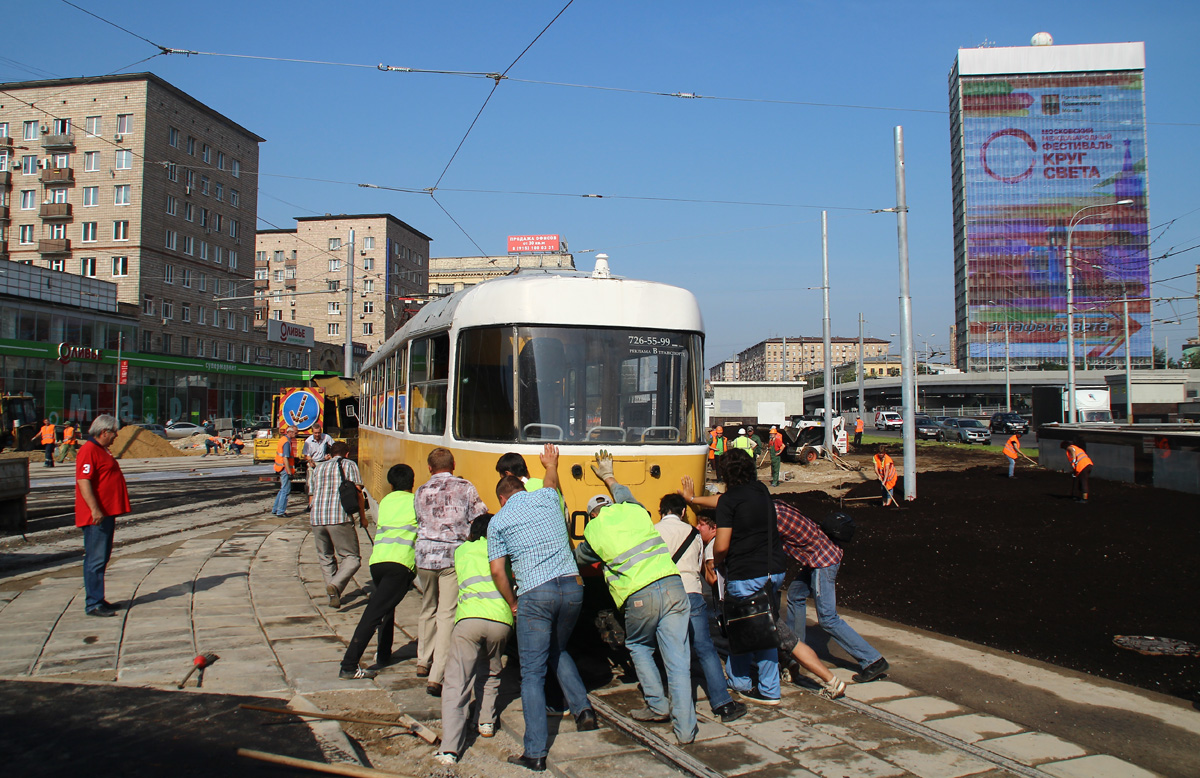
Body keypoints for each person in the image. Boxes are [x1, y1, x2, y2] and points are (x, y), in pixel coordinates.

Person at [679, 451, 846, 704]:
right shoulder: (760, 491)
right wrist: (693, 498)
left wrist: (716, 564)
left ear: (725, 474)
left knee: (752, 630)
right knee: (753, 625)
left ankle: (767, 689)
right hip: (774, 570)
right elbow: (724, 500)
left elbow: (722, 544)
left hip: (746, 574)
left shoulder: (729, 502)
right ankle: (741, 680)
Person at [574, 451, 698, 745]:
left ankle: (657, 706)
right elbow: (622, 492)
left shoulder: (593, 529)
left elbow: (579, 559)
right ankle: (685, 730)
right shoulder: (634, 509)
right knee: (678, 658)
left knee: (639, 645)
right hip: (673, 586)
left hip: (640, 595)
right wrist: (608, 475)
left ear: (593, 514)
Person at [489, 444, 597, 772]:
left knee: (531, 675)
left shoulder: (499, 520)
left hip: (537, 594)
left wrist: (512, 602)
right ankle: (583, 711)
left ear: (503, 497)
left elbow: (497, 571)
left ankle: (535, 751)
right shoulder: (548, 498)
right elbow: (551, 481)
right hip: (573, 588)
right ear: (522, 485)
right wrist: (552, 463)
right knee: (557, 649)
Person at [653, 491, 746, 723]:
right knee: (704, 648)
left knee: (670, 649)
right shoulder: (694, 534)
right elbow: (697, 566)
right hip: (692, 591)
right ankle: (723, 704)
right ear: (683, 512)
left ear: (661, 511)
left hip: (665, 592)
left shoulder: (652, 531)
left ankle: (669, 703)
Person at [776, 500, 889, 684]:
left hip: (824, 560)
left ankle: (873, 660)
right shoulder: (775, 506)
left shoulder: (773, 516)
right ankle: (797, 650)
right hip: (816, 556)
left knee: (828, 618)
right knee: (795, 594)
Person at [435, 513, 515, 765]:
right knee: (491, 671)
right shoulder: (505, 551)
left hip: (469, 620)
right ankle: (486, 722)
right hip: (501, 621)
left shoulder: (462, 551)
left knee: (458, 682)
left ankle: (449, 748)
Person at [414, 447, 487, 697]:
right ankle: (437, 675)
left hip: (424, 556)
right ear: (453, 464)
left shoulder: (420, 490)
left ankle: (423, 660)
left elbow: (420, 519)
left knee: (427, 608)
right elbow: (480, 517)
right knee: (446, 614)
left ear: (429, 468)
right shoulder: (466, 487)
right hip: (451, 557)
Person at [340, 464, 419, 680]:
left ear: (390, 484)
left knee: (386, 609)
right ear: (412, 483)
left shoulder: (385, 502)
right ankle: (349, 664)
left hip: (378, 562)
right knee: (374, 614)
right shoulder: (415, 502)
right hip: (400, 564)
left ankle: (384, 654)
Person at [75, 415, 131, 617]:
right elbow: (84, 481)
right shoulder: (89, 450)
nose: (116, 436)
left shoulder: (101, 450)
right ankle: (93, 603)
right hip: (96, 516)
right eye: (114, 432)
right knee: (95, 559)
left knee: (102, 557)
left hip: (106, 512)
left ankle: (98, 598)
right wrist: (94, 509)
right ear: (104, 432)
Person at [308, 441, 365, 609]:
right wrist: (362, 517)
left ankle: (333, 592)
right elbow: (358, 491)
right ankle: (336, 584)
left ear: (331, 454)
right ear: (347, 453)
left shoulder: (318, 468)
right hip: (338, 516)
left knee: (325, 556)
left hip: (316, 518)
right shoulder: (349, 465)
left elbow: (311, 493)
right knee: (352, 557)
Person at [271, 426, 296, 517]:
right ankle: (280, 511)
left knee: (282, 490)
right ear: (290, 432)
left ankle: (275, 509)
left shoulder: (283, 439)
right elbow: (285, 458)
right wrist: (289, 472)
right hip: (285, 469)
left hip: (281, 468)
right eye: (295, 433)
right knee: (286, 490)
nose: (296, 434)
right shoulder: (286, 442)